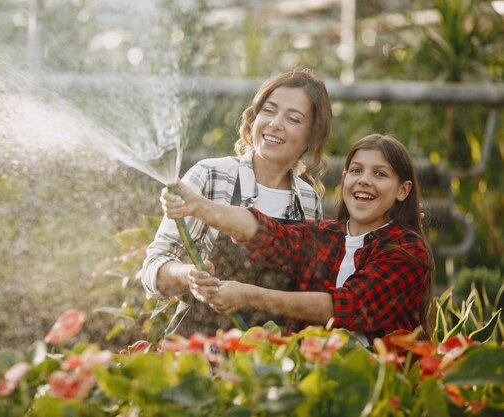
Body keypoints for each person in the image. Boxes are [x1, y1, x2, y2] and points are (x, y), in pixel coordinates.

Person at [161, 134, 435, 343]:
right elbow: (264, 233)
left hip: (379, 388)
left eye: (380, 174)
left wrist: (248, 296)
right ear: (344, 178)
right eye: (356, 170)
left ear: (403, 190)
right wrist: (197, 205)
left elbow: (343, 307)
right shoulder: (326, 236)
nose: (364, 180)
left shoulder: (408, 250)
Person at [140, 69, 333, 335]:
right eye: (269, 110)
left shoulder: (308, 201)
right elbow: (153, 268)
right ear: (254, 119)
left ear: (311, 136)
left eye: (293, 118)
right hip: (200, 348)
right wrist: (188, 276)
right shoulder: (211, 175)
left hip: (273, 355)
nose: (275, 123)